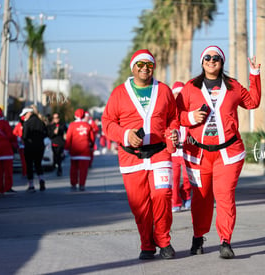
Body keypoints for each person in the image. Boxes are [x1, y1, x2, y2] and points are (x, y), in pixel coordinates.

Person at [175, 45, 261, 259]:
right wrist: (189, 118)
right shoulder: (190, 88)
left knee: (224, 196)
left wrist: (255, 75)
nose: (211, 60)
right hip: (198, 154)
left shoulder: (232, 86)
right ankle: (198, 236)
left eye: (216, 58)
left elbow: (253, 102)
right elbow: (175, 114)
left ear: (222, 62)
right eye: (207, 57)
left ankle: (225, 241)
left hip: (228, 153)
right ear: (201, 61)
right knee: (201, 198)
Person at [101, 49, 179, 260]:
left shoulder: (163, 90)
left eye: (149, 65)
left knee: (162, 196)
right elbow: (107, 123)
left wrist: (173, 132)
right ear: (133, 67)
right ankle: (147, 243)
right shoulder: (119, 93)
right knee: (140, 205)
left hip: (159, 152)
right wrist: (125, 135)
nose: (145, 68)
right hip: (131, 156)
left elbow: (173, 117)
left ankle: (163, 241)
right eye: (141, 64)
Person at [170, 81, 192, 213]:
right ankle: (175, 203)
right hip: (173, 153)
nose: (178, 95)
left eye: (181, 93)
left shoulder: (190, 112)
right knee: (174, 179)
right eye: (176, 93)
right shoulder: (170, 111)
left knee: (188, 178)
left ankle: (187, 196)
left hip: (187, 151)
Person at [64, 109, 95, 191]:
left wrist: (66, 149)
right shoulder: (87, 125)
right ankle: (82, 184)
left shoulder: (72, 125)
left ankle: (73, 183)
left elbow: (68, 138)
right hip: (85, 150)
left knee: (73, 168)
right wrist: (91, 146)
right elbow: (92, 138)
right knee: (83, 169)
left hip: (74, 150)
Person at [0, 107, 17, 195]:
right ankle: (7, 188)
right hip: (5, 148)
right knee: (8, 169)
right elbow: (10, 135)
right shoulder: (4, 123)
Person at [20, 107, 47, 193]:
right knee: (38, 164)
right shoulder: (41, 122)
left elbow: (24, 136)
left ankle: (31, 185)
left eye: (24, 114)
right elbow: (45, 133)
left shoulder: (27, 123)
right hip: (40, 146)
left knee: (29, 166)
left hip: (30, 147)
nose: (24, 116)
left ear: (29, 113)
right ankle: (41, 181)